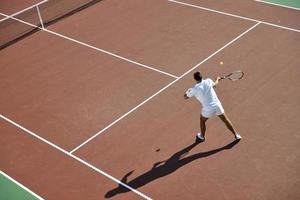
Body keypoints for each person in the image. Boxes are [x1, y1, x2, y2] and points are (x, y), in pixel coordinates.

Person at [184, 71, 241, 142]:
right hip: (217, 105)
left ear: (195, 79)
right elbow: (215, 84)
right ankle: (236, 135)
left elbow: (185, 97)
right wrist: (218, 79)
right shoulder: (208, 81)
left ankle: (202, 137)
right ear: (202, 77)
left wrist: (188, 91)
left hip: (208, 109)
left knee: (202, 120)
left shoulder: (194, 89)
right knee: (225, 120)